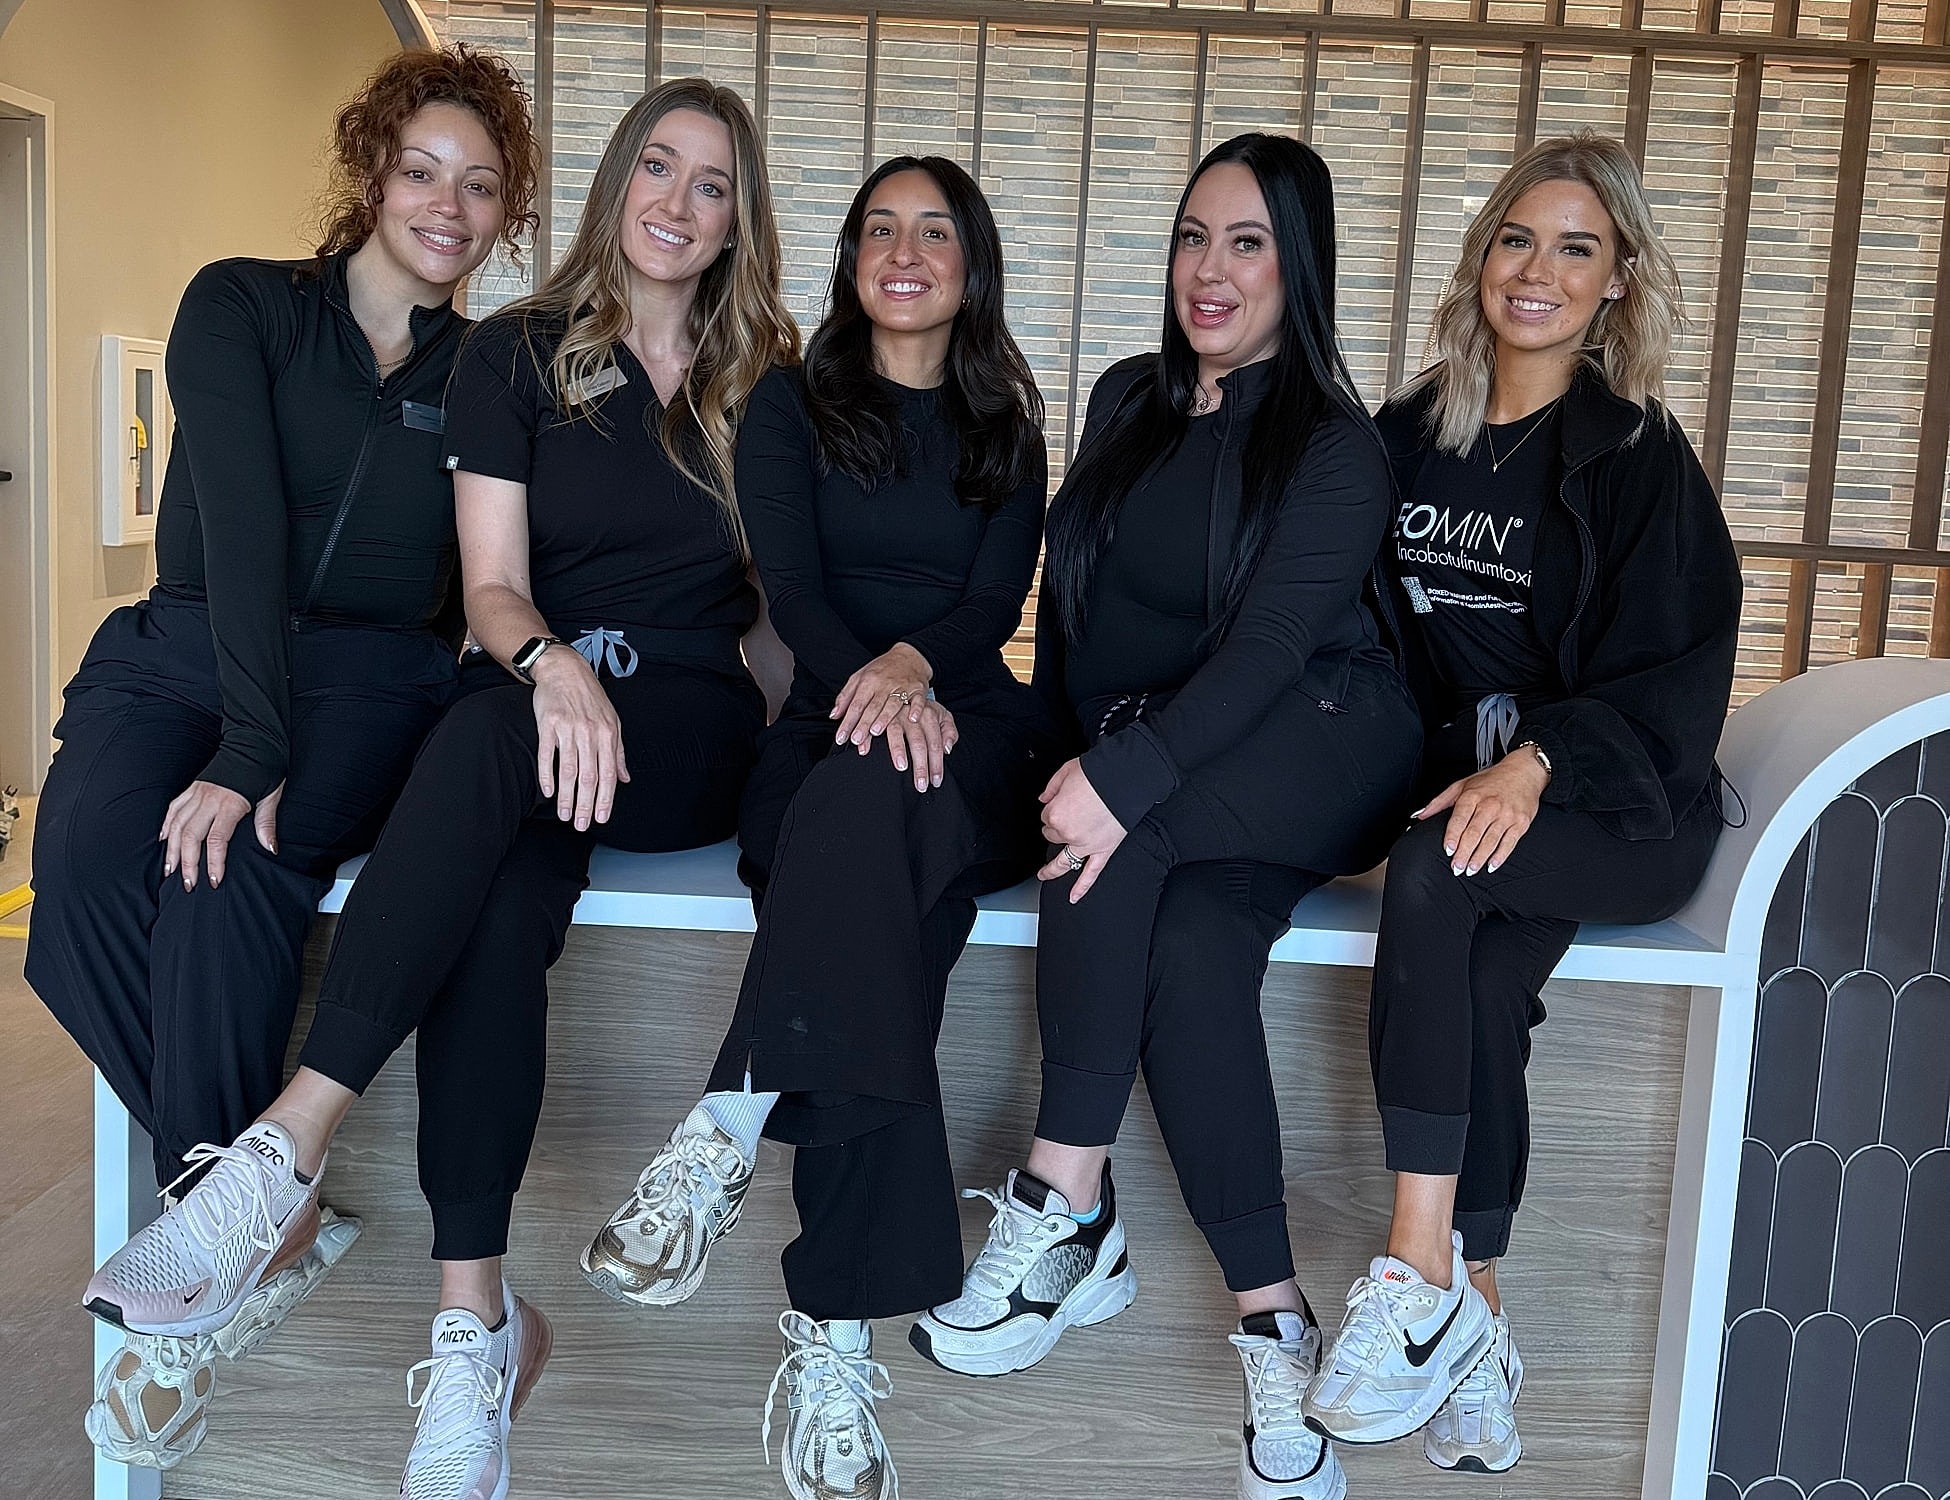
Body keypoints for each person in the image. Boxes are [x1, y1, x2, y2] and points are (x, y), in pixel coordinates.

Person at [78, 78, 798, 1499]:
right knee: (489, 899)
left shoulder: (769, 381)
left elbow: (778, 614)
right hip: (531, 702)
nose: (675, 201)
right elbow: (487, 587)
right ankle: (475, 1329)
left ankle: (282, 1149)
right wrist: (550, 668)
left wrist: (799, 732)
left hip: (683, 730)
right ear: (612, 186)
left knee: (477, 753)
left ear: (736, 218)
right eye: (655, 167)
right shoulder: (519, 356)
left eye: (710, 184)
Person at [24, 45, 536, 1472]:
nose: (448, 204)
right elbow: (239, 526)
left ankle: (197, 1277)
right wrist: (246, 738)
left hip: (373, 674)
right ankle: (259, 1203)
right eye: (423, 169)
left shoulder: (486, 369)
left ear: (505, 216)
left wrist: (261, 771)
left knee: (235, 867)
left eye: (481, 187)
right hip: (185, 645)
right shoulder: (243, 304)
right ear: (372, 170)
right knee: (73, 880)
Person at [911, 134, 1423, 1500]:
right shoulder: (1129, 397)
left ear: (1297, 262)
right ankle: (1275, 1326)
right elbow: (1079, 617)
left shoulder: (1331, 445)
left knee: (1115, 833)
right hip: (1179, 764)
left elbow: (1265, 654)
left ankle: (1062, 1197)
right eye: (1194, 235)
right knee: (1191, 961)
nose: (1211, 269)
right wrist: (1079, 759)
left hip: (1322, 735)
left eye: (1248, 242)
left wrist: (1119, 785)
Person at [576, 154, 1052, 1500]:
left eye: (935, 232)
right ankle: (835, 1342)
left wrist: (912, 676)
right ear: (849, 257)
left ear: (972, 262)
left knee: (881, 807)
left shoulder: (1005, 421)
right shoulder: (789, 402)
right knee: (875, 884)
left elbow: (986, 608)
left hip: (972, 726)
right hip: (827, 735)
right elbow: (788, 586)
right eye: (878, 230)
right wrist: (870, 684)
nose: (905, 252)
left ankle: (729, 1121)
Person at [1298, 132, 1740, 1474]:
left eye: (1574, 249)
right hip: (1472, 799)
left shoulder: (1633, 461)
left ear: (1615, 285)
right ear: (1479, 258)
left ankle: (1412, 1269)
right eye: (1514, 239)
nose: (1535, 271)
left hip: (1616, 815)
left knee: (1438, 876)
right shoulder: (1403, 439)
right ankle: (1476, 1314)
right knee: (1477, 979)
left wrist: (1536, 759)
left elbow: (1676, 672)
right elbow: (1336, 613)